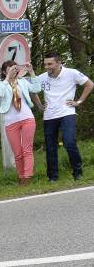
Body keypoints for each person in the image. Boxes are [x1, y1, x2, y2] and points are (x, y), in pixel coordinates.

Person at [36, 51, 94, 181]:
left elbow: (89, 84)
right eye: (45, 64)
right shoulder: (42, 77)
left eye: (50, 64)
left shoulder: (71, 73)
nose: (47, 67)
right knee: (51, 148)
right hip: (49, 116)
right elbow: (32, 90)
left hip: (67, 113)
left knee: (69, 142)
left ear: (58, 62)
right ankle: (53, 178)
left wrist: (78, 101)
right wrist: (39, 105)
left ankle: (78, 173)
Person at [0, 60, 42, 185]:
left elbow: (37, 88)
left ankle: (27, 178)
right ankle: (21, 177)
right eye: (10, 69)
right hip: (11, 122)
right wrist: (7, 78)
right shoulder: (1, 84)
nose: (13, 70)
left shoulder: (23, 82)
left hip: (27, 118)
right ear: (4, 71)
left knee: (27, 150)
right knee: (18, 153)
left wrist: (31, 72)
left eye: (15, 68)